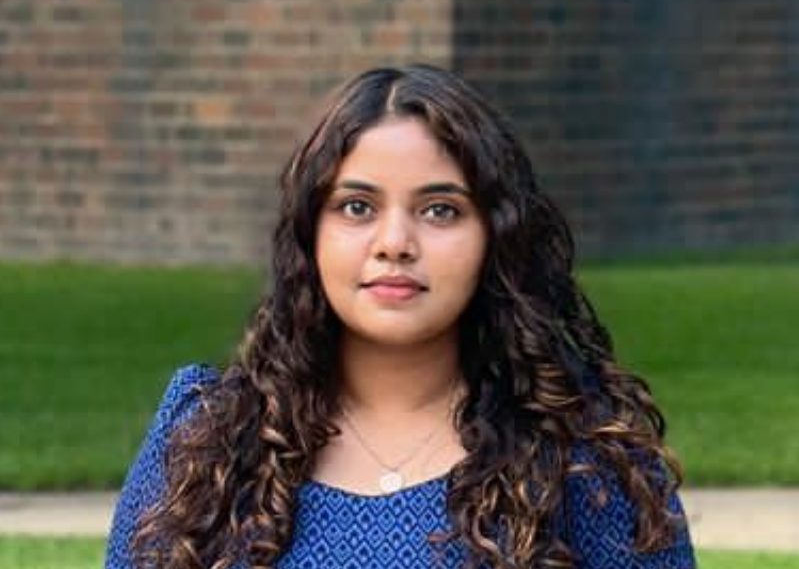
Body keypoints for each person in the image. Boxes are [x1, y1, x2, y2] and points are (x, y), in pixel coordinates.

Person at [105, 64, 696, 569]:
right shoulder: (206, 437)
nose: (394, 243)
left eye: (440, 210)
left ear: (496, 236)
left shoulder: (588, 462)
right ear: (310, 233)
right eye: (356, 207)